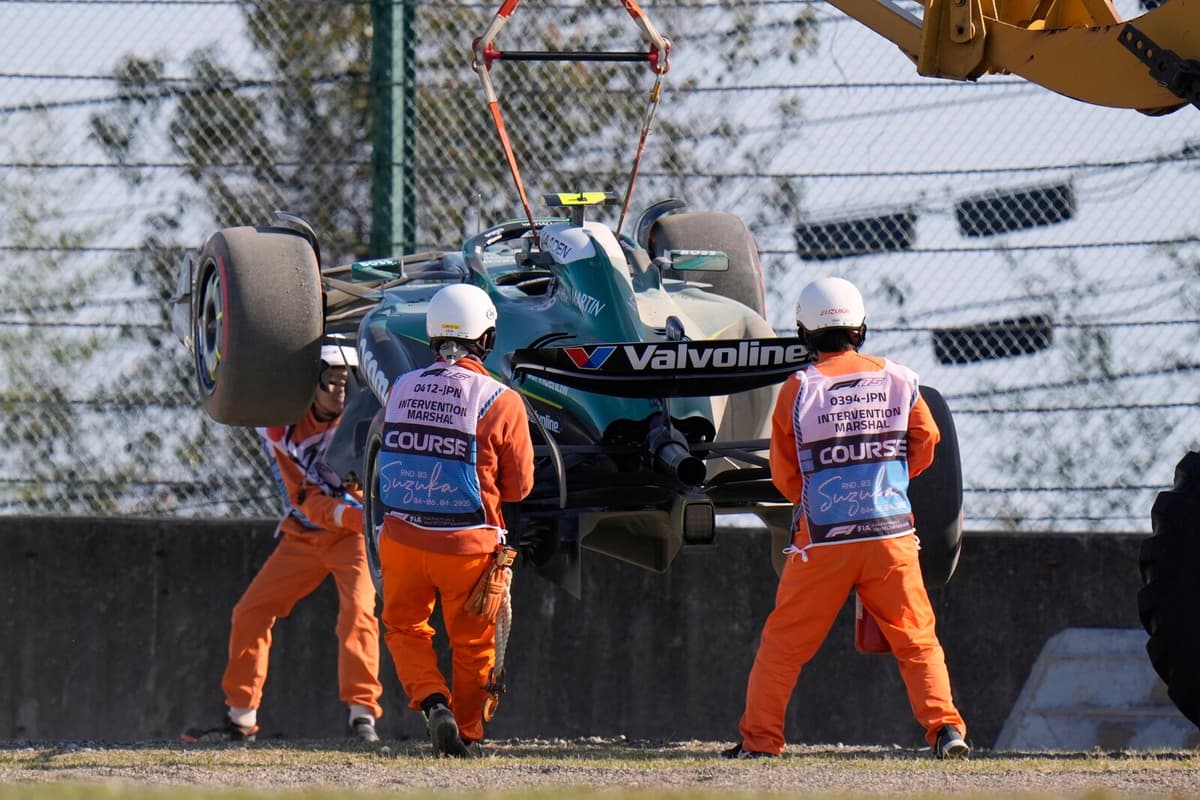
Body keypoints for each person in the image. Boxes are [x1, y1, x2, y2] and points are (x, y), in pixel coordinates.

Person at [722, 277, 969, 760]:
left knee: (784, 644)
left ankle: (760, 741)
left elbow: (784, 472)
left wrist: (817, 500)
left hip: (823, 540)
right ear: (861, 329)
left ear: (803, 334)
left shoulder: (799, 389)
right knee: (917, 639)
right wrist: (890, 479)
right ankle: (946, 731)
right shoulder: (899, 378)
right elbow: (926, 440)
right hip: (890, 535)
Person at [182, 339, 384, 744]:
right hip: (306, 534)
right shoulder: (282, 427)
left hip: (353, 539)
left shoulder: (367, 421)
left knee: (358, 612)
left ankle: (362, 717)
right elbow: (304, 498)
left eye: (349, 378)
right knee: (251, 612)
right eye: (331, 378)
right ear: (311, 383)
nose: (341, 388)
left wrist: (363, 517)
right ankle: (240, 717)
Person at [375, 283, 534, 758]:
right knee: (472, 643)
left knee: (404, 628)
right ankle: (465, 733)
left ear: (431, 336)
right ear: (486, 339)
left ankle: (432, 702)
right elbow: (519, 488)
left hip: (400, 538)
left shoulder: (401, 387)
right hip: (466, 546)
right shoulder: (500, 400)